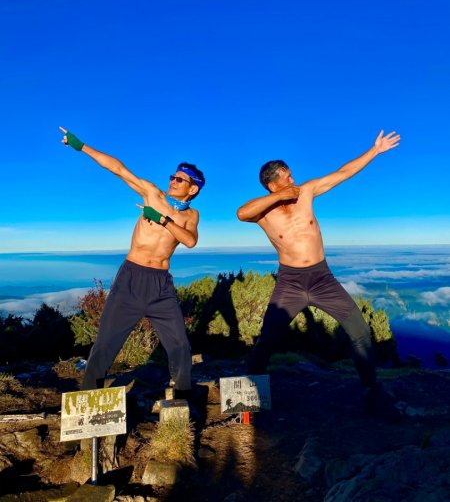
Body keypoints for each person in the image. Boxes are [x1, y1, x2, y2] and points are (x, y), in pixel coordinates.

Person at [237, 130, 401, 415]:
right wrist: (280, 196)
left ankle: (371, 390)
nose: (293, 180)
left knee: (360, 330)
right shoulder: (263, 212)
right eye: (287, 177)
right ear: (273, 183)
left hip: (322, 278)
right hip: (290, 283)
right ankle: (246, 403)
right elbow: (241, 212)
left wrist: (374, 151)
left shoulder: (307, 192)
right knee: (267, 340)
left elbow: (342, 173)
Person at [59, 127, 205, 398]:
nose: (173, 181)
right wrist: (82, 147)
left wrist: (163, 220)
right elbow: (119, 169)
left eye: (180, 179)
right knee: (105, 346)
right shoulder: (152, 194)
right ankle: (86, 408)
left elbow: (190, 240)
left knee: (180, 347)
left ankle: (182, 401)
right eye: (173, 176)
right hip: (132, 278)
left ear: (192, 188)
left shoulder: (191, 215)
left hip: (161, 285)